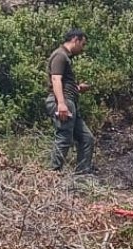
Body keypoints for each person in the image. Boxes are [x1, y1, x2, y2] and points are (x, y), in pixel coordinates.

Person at [46, 29, 93, 174]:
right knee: (64, 138)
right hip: (63, 102)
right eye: (82, 44)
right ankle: (52, 175)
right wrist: (61, 104)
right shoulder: (60, 55)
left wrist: (77, 88)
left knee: (86, 138)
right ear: (75, 40)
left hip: (69, 101)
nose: (83, 48)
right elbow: (56, 79)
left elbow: (64, 83)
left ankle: (81, 176)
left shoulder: (66, 57)